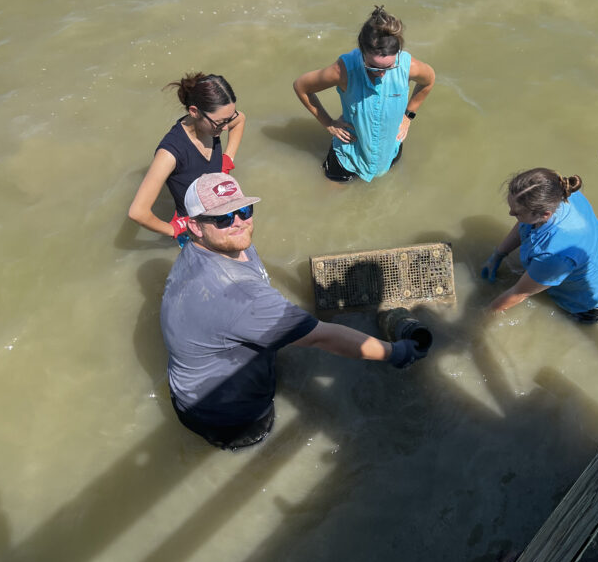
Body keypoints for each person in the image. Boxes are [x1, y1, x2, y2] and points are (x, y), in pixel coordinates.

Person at [160, 173, 429, 449]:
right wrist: (397, 353)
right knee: (260, 440)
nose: (239, 223)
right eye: (222, 218)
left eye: (243, 210)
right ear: (195, 225)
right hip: (228, 415)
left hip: (197, 379)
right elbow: (322, 337)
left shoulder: (203, 250)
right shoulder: (241, 294)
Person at [292, 5, 435, 182]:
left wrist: (408, 116)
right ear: (362, 51)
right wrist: (328, 123)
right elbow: (301, 86)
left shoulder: (409, 67)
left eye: (389, 67)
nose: (382, 73)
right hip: (348, 158)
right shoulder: (343, 70)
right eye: (374, 67)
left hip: (390, 151)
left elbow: (428, 81)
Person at [481, 168, 598, 323]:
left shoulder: (554, 254)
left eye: (516, 213)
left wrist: (483, 314)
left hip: (594, 301)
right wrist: (498, 255)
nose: (510, 214)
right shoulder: (560, 192)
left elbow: (519, 294)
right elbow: (525, 224)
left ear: (545, 215)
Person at [128, 72, 246, 242]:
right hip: (197, 230)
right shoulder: (169, 153)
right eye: (221, 122)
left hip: (222, 212)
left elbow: (240, 120)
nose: (226, 127)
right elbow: (138, 212)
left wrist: (227, 160)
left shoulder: (213, 125)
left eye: (229, 119)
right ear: (194, 111)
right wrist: (175, 229)